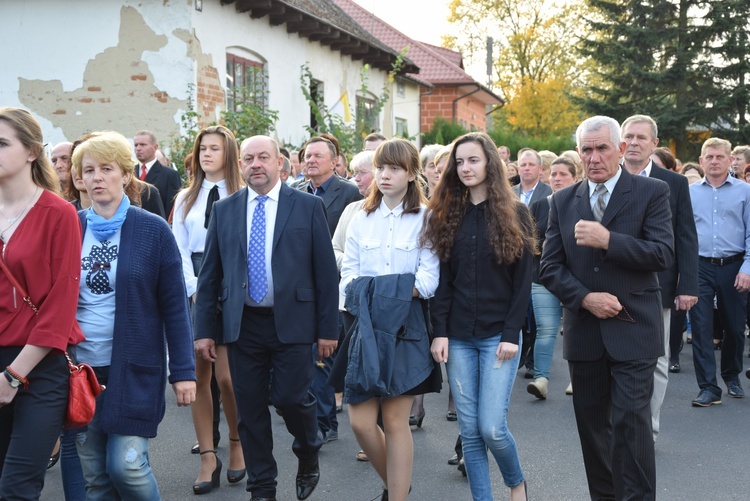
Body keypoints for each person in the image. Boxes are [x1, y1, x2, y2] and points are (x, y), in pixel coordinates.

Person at [194, 135, 339, 501]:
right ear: (240, 165)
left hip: (293, 320)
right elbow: (210, 275)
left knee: (291, 398)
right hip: (243, 324)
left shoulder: (306, 206)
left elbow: (325, 273)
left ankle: (308, 450)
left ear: (280, 163)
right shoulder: (225, 209)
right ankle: (263, 487)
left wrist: (327, 330)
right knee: (250, 409)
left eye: (263, 157)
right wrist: (204, 331)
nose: (255, 164)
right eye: (248, 159)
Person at [540, 116, 673, 500]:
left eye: (601, 148)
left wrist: (609, 240)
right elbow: (549, 266)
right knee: (593, 430)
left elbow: (663, 254)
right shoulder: (562, 201)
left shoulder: (652, 192)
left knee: (631, 424)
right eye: (586, 149)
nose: (594, 157)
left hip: (634, 329)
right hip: (585, 334)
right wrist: (584, 298)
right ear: (578, 152)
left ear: (620, 149)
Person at [70, 131, 196, 499]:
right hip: (80, 372)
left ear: (126, 174)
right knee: (94, 477)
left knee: (126, 466)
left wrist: (184, 373)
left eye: (106, 168)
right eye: (88, 170)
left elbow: (175, 306)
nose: (96, 178)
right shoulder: (70, 227)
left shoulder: (152, 229)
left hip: (135, 368)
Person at [426, 132, 532, 501]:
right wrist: (439, 332)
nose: (466, 168)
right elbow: (442, 282)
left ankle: (516, 483)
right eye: (459, 162)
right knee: (469, 432)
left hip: (497, 337)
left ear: (490, 163)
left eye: (473, 160)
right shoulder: (446, 215)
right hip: (457, 337)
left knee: (492, 428)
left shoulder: (516, 213)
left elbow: (522, 284)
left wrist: (511, 333)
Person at [339, 138, 441, 501]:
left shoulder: (428, 218)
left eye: (394, 168)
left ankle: (396, 495)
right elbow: (348, 277)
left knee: (396, 421)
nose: (384, 175)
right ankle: (398, 483)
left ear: (412, 173)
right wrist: (386, 290)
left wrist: (378, 290)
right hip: (364, 325)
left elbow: (428, 282)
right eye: (380, 167)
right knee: (360, 422)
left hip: (406, 327)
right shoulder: (360, 217)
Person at [0, 107, 84, 501]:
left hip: (39, 365)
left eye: (2, 143)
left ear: (32, 151)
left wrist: (13, 375)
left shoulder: (59, 213)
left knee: (17, 487)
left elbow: (60, 308)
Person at [172, 125, 246, 494]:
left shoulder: (244, 194)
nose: (206, 154)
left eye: (214, 148)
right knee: (198, 376)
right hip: (195, 287)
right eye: (202, 148)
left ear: (228, 154)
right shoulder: (185, 197)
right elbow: (178, 250)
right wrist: (194, 288)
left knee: (228, 379)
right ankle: (207, 456)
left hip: (233, 288)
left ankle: (236, 442)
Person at [621, 115, 698, 440]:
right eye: (630, 137)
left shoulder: (674, 183)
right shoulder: (608, 177)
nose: (635, 143)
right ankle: (620, 425)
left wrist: (688, 285)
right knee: (617, 359)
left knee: (657, 359)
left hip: (660, 288)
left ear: (655, 144)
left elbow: (686, 236)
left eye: (642, 137)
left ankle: (646, 429)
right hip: (615, 285)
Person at [297, 136, 361, 443]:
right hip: (298, 287)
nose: (310, 160)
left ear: (334, 161)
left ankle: (325, 422)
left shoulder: (350, 193)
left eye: (317, 156)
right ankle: (317, 418)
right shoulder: (294, 191)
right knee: (306, 356)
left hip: (333, 286)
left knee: (324, 355)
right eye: (307, 155)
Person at [688, 137, 750, 406]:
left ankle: (731, 375)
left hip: (734, 266)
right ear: (701, 161)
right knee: (701, 328)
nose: (714, 161)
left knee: (734, 328)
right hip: (699, 266)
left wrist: (747, 268)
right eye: (709, 157)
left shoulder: (745, 192)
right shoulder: (689, 192)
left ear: (730, 161)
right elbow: (682, 234)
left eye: (720, 157)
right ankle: (708, 387)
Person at [526, 157, 579, 399]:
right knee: (546, 330)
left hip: (575, 279)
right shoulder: (539, 205)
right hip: (544, 278)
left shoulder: (584, 203)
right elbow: (527, 241)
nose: (556, 179)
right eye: (554, 174)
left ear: (575, 178)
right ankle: (540, 379)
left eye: (563, 174)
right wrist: (543, 246)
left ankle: (576, 379)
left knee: (574, 330)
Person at [134, 130, 182, 218]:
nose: (138, 149)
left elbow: (172, 209)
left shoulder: (170, 175)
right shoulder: (129, 173)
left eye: (143, 145)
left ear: (155, 147)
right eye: (136, 145)